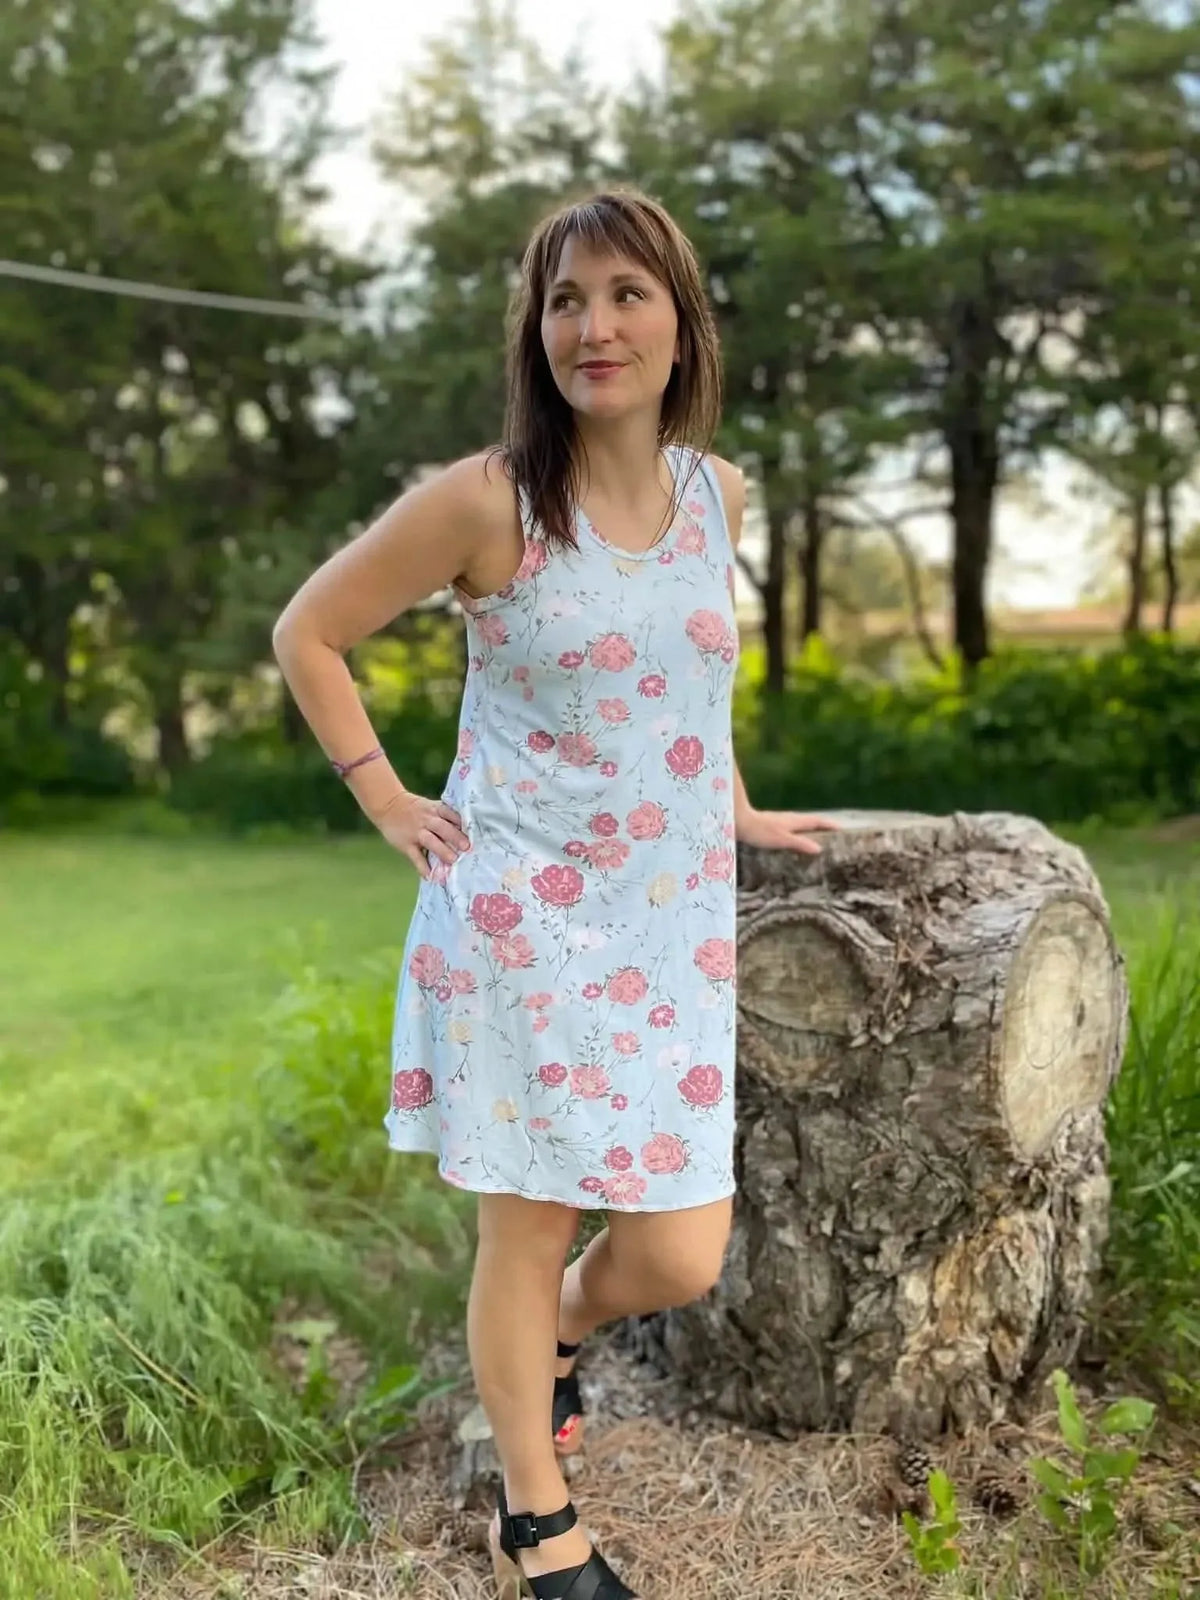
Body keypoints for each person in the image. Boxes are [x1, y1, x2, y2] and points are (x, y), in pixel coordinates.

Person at [273, 187, 835, 1600]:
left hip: (670, 930)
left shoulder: (722, 496)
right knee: (522, 1229)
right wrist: (385, 797)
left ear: (679, 318)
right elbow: (311, 630)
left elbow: (687, 677)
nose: (594, 325)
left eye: (625, 293)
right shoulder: (488, 499)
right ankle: (538, 1515)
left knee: (677, 1254)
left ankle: (566, 1342)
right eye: (565, 299)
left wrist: (735, 801)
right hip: (521, 924)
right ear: (536, 328)